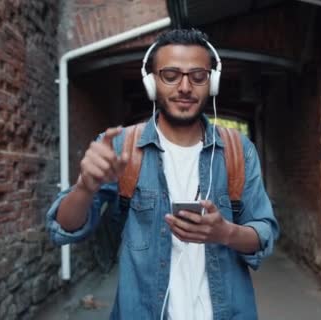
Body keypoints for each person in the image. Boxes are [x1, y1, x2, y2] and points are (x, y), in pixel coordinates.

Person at [46, 29, 279, 320]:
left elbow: (265, 232)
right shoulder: (121, 146)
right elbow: (64, 228)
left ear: (212, 82)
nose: (185, 87)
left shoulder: (237, 149)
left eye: (197, 76)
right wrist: (84, 187)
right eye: (170, 75)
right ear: (151, 82)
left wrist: (227, 233)